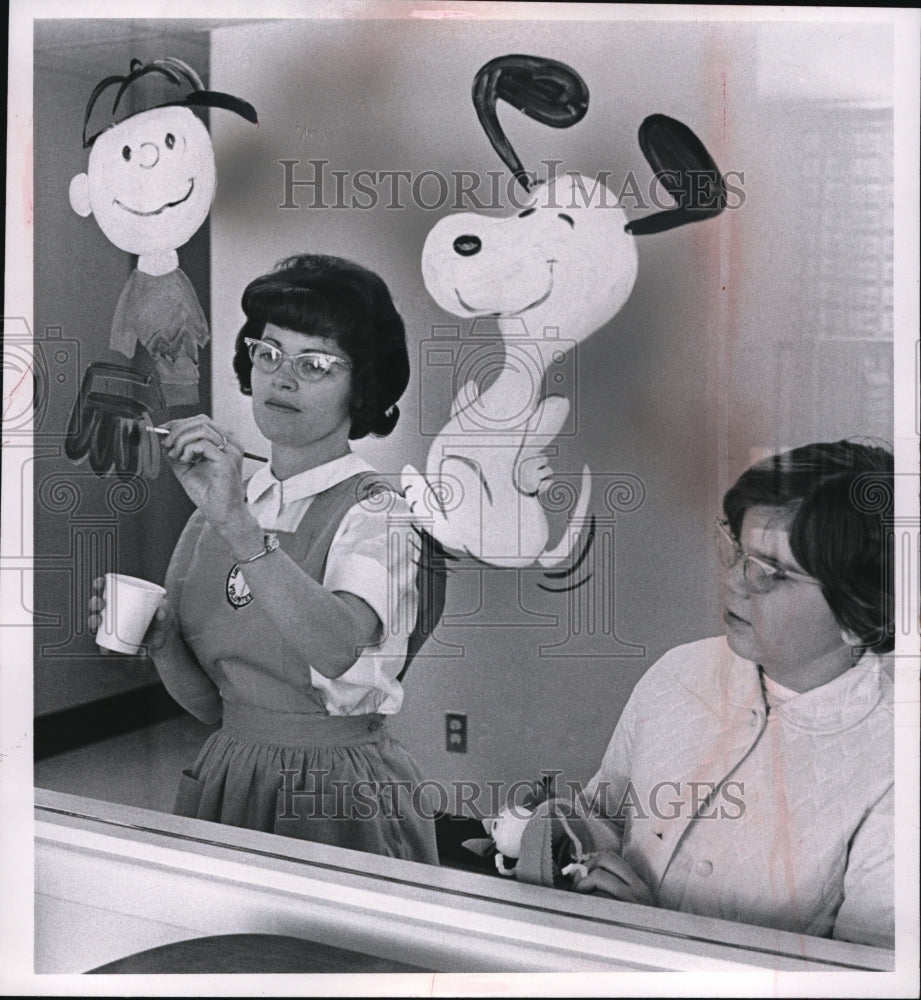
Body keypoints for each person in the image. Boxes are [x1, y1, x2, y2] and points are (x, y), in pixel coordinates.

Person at [90, 253, 438, 865]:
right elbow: (215, 705)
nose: (282, 378)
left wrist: (236, 522)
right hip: (230, 776)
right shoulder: (221, 509)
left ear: (362, 386)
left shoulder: (378, 512)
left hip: (337, 793)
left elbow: (337, 646)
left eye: (316, 364)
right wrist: (163, 643)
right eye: (269, 352)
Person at [571, 440, 894, 948]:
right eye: (736, 551)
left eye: (768, 572)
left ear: (860, 618)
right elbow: (603, 817)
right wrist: (559, 840)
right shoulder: (679, 672)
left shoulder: (896, 766)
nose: (733, 583)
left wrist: (658, 937)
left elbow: (863, 976)